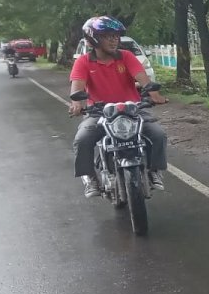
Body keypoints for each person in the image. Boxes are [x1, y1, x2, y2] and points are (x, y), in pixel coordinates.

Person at [69, 16, 168, 198]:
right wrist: (77, 104)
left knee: (158, 134)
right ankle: (89, 177)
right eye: (108, 36)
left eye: (116, 36)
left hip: (132, 110)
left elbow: (144, 80)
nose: (114, 40)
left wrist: (154, 95)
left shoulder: (127, 56)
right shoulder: (83, 62)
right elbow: (77, 89)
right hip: (98, 112)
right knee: (82, 139)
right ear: (94, 38)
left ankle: (155, 170)